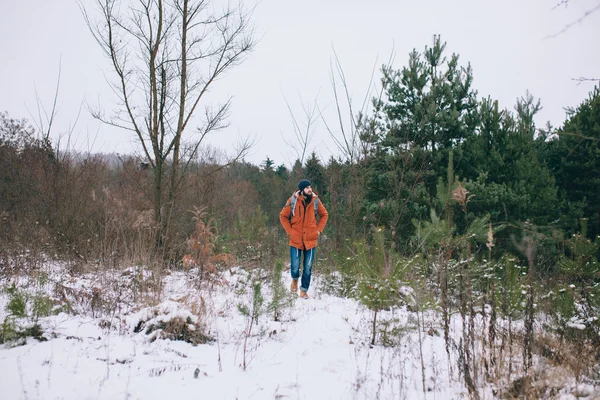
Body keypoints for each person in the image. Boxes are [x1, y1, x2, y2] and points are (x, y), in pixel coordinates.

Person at [279, 179, 328, 299]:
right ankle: (294, 280)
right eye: (307, 188)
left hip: (311, 239)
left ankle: (303, 290)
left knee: (308, 267)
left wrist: (318, 230)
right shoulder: (293, 200)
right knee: (295, 266)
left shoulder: (316, 201)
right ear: (302, 190)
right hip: (296, 239)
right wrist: (290, 231)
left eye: (310, 187)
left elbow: (324, 215)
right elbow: (283, 216)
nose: (310, 189)